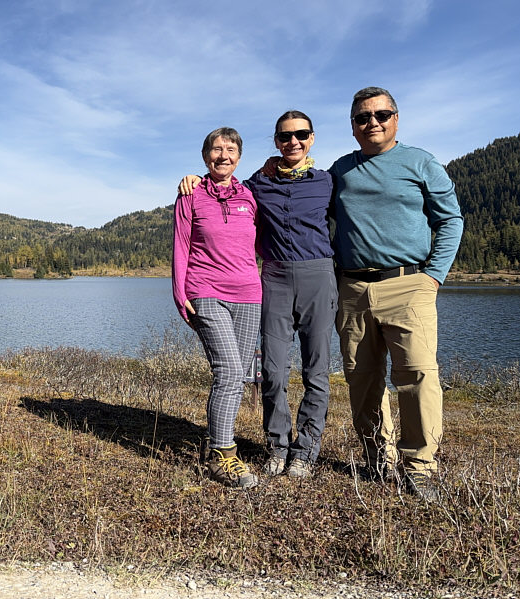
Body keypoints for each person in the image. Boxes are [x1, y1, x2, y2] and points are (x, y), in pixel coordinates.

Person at [179, 111, 336, 480]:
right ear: (276, 142)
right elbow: (219, 185)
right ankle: (278, 445)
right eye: (284, 136)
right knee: (272, 371)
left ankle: (306, 450)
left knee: (316, 370)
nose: (292, 141)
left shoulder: (328, 181)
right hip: (274, 278)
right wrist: (191, 179)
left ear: (311, 138)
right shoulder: (256, 185)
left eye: (300, 134)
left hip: (318, 275)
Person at [331, 86, 463, 501]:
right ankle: (376, 458)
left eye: (381, 115)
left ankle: (419, 468)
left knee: (418, 376)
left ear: (396, 119)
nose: (373, 122)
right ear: (352, 126)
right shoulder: (340, 170)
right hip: (351, 288)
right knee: (361, 379)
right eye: (363, 117)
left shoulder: (421, 162)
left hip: (409, 283)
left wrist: (433, 276)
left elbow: (451, 220)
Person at [173, 127, 262, 488]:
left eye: (230, 149)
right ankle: (223, 456)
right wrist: (181, 295)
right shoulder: (190, 194)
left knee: (238, 375)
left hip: (249, 294)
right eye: (215, 149)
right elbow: (180, 246)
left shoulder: (250, 196)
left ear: (239, 156)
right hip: (206, 290)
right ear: (204, 155)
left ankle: (216, 438)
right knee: (227, 371)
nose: (222, 155)